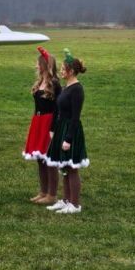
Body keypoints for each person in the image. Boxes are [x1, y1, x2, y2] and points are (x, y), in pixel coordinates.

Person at [45, 48, 89, 214]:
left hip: (71, 130)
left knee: (71, 168)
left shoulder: (77, 90)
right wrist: (53, 129)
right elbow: (59, 111)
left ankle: (75, 204)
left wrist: (68, 139)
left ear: (71, 71)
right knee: (63, 166)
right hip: (61, 128)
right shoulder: (65, 87)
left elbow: (75, 117)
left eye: (63, 69)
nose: (61, 72)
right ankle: (65, 200)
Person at [23, 46, 61, 205]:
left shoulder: (55, 84)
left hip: (48, 123)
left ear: (45, 65)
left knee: (49, 159)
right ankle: (43, 191)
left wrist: (53, 128)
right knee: (39, 158)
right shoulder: (40, 82)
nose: (36, 66)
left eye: (38, 63)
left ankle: (52, 195)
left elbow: (58, 109)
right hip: (38, 122)